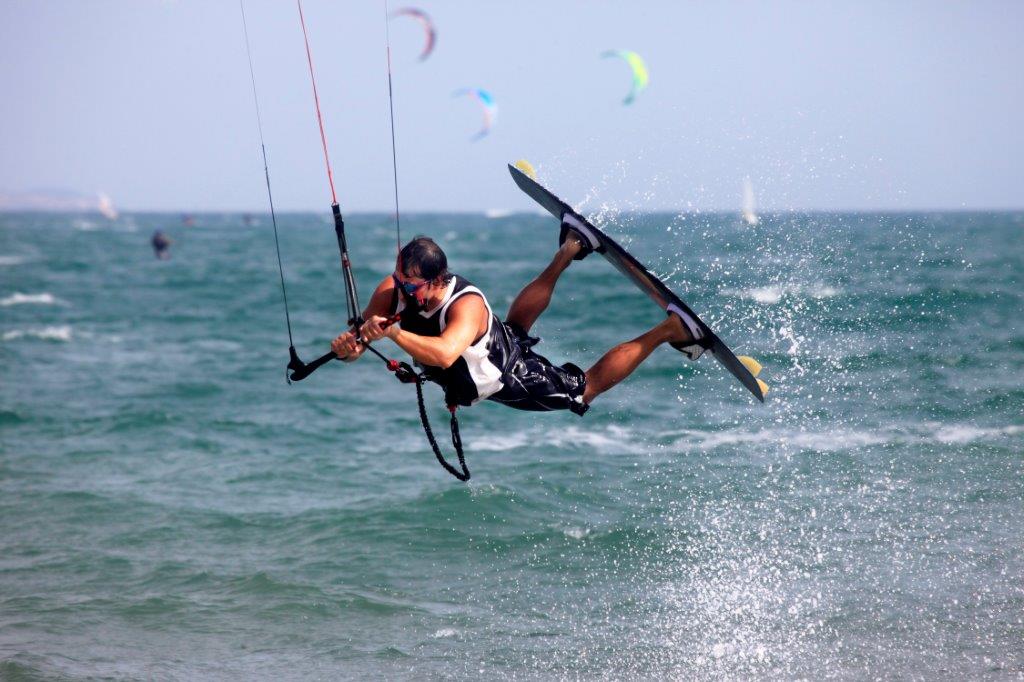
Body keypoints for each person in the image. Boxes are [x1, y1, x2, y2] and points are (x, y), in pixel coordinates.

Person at [331, 223, 706, 415]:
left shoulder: (465, 306)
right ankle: (572, 246)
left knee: (582, 389)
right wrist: (350, 347)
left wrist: (394, 333)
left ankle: (669, 330)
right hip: (491, 344)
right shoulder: (392, 288)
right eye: (400, 281)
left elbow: (445, 354)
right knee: (515, 328)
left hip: (505, 373)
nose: (403, 292)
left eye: (412, 287)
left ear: (439, 280)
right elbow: (360, 346)